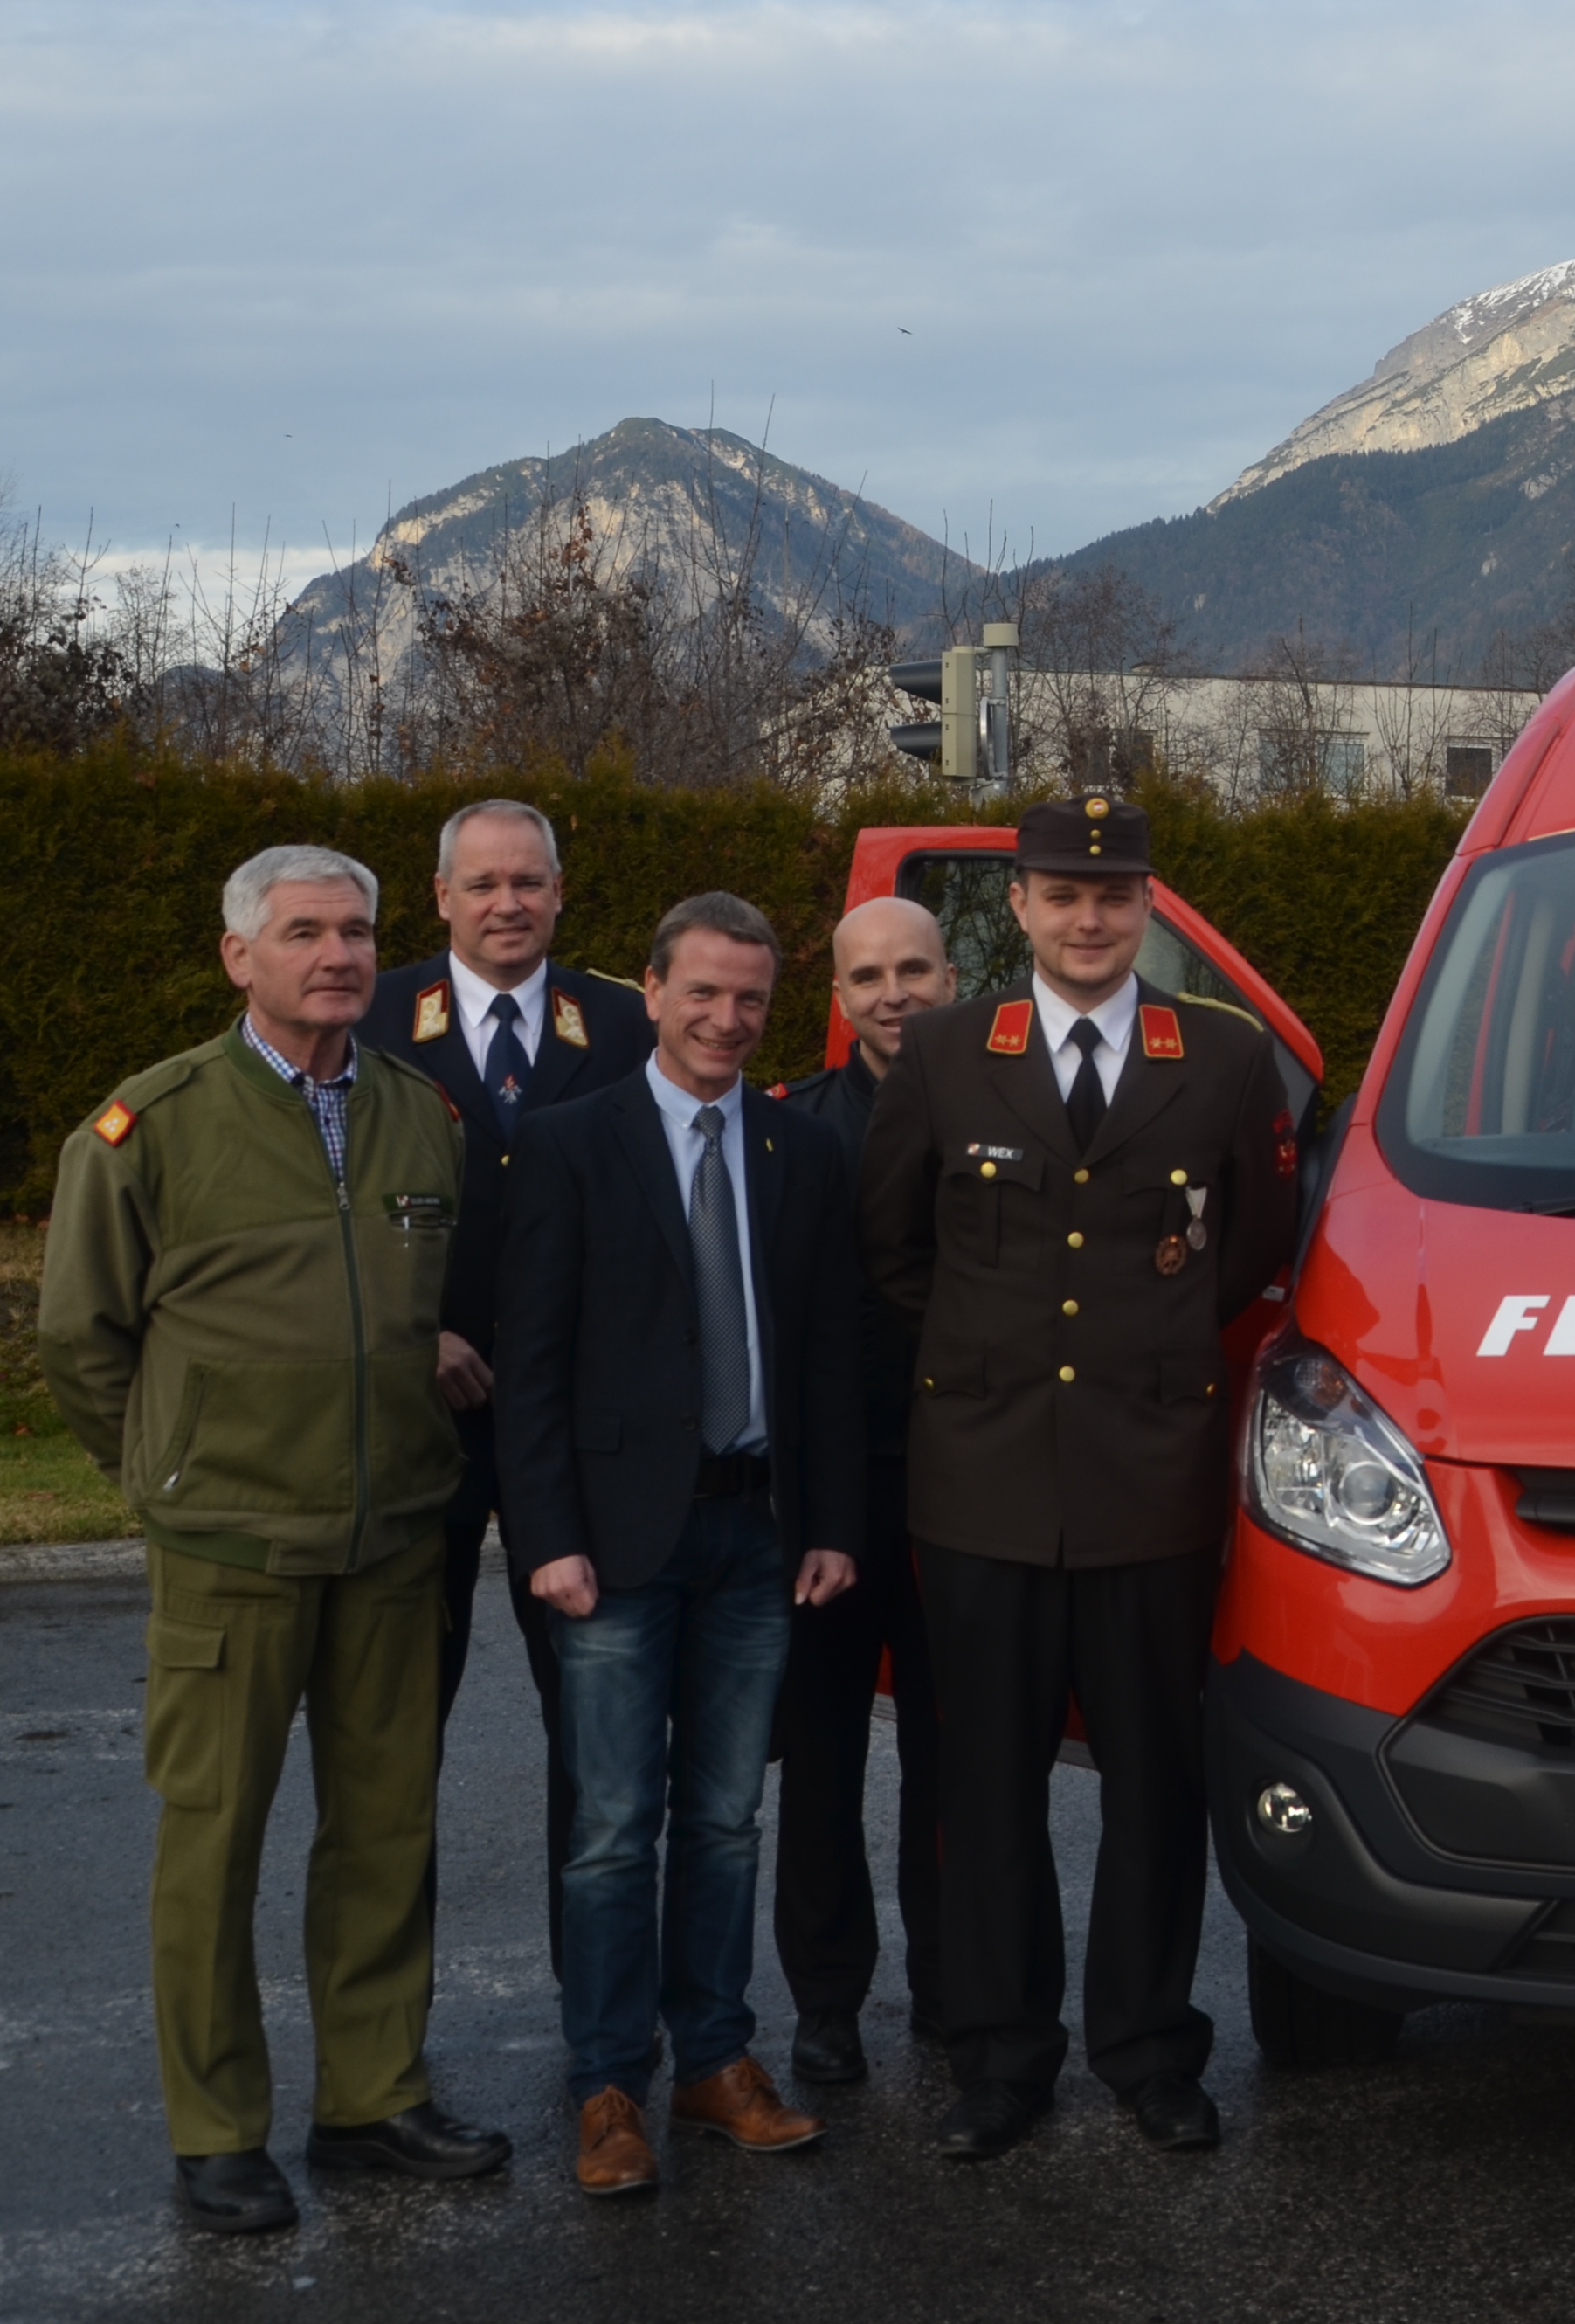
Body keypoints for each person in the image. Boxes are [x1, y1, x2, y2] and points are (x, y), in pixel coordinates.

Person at [40, 845, 517, 2236]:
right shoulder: (157, 1123)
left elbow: (408, 1301)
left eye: (359, 932)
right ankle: (218, 2129)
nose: (339, 955)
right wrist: (172, 1466)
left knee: (385, 1832)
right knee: (216, 1842)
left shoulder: (420, 1115)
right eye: (304, 932)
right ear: (239, 955)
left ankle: (372, 2098)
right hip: (232, 1550)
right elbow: (84, 1335)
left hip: (391, 1545)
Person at [864, 792, 1300, 2163]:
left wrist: (1143, 1356)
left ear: (1148, 905)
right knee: (984, 1783)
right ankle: (1002, 2059)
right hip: (986, 1477)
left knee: (1155, 1784)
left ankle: (1151, 2048)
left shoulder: (1221, 1062)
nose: (1090, 920)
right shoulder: (943, 1053)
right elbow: (892, 1252)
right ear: (1021, 910)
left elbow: (1247, 1248)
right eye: (1062, 896)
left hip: (1150, 1478)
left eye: (1114, 897)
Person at [499, 890, 869, 2194]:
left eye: (751, 999)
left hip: (759, 1537)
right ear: (648, 992)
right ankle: (608, 2084)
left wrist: (829, 1525)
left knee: (723, 1820)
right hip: (609, 1545)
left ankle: (715, 2062)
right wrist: (543, 1535)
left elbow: (830, 1354)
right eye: (702, 992)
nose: (726, 1019)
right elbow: (529, 1365)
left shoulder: (801, 1151)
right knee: (610, 1826)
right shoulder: (565, 1147)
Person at [357, 796, 655, 1950]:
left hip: (579, 1429)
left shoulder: (625, 1023)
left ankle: (603, 2018)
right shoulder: (373, 1014)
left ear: (560, 891)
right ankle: (389, 2038)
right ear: (439, 897)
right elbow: (323, 1202)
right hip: (421, 1414)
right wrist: (407, 1329)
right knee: (393, 1737)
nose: (506, 903)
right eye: (480, 884)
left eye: (528, 881)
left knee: (596, 1733)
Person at [772, 895, 959, 2082]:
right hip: (834, 1501)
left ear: (952, 978)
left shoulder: (1010, 1110)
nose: (893, 993)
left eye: (914, 970)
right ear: (839, 999)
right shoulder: (794, 1131)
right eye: (868, 976)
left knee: (961, 1760)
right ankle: (827, 2004)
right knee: (825, 1759)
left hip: (966, 1496)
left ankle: (953, 1991)